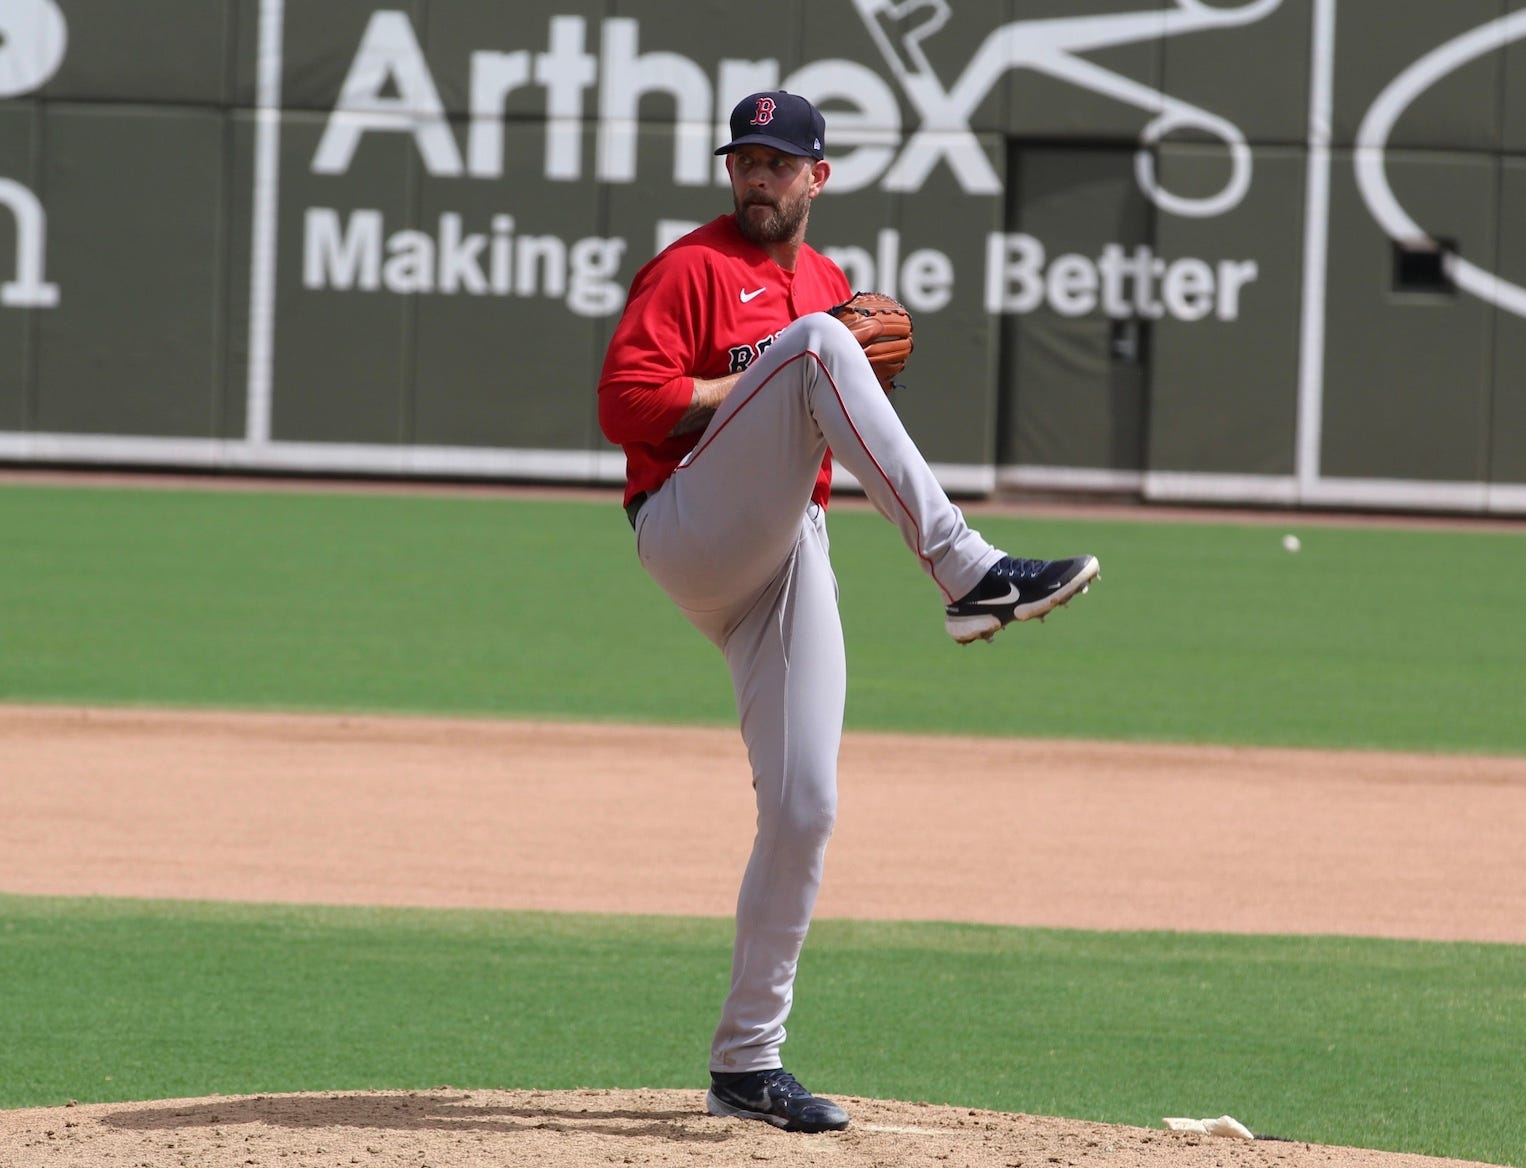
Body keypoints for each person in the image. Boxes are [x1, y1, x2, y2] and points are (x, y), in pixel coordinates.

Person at [596, 90, 1099, 1134]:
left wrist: (812, 378)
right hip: (689, 524)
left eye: (778, 163)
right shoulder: (689, 270)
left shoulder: (823, 283)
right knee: (820, 343)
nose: (757, 177)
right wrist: (758, 380)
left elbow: (816, 414)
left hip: (788, 547)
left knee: (805, 804)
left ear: (816, 178)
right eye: (744, 159)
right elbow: (623, 404)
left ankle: (745, 1062)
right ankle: (967, 569)